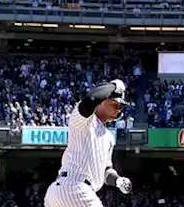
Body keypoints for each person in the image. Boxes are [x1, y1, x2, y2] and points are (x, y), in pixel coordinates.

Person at [44, 79, 133, 207]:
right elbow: (91, 98)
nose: (119, 109)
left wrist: (118, 180)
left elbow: (106, 171)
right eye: (116, 104)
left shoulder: (109, 137)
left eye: (122, 107)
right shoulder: (85, 121)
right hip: (75, 187)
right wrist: (114, 86)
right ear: (102, 101)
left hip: (63, 192)